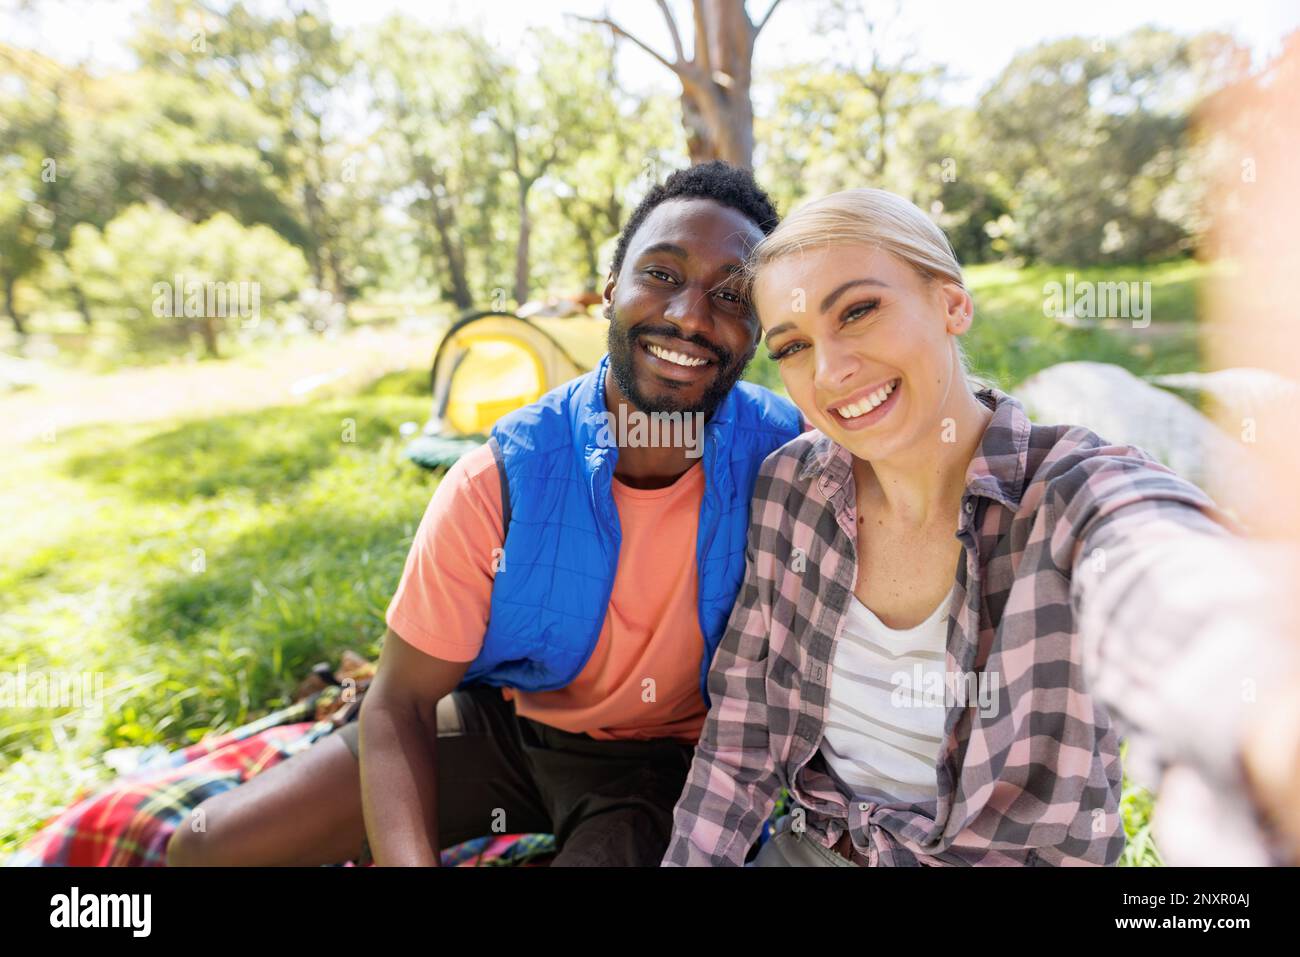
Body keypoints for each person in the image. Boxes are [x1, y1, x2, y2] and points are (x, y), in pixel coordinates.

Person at [166, 161, 802, 867]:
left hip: (663, 764)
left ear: (759, 328)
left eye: (731, 294)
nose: (689, 314)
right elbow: (400, 701)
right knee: (207, 849)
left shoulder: (789, 459)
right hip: (508, 720)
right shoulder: (502, 477)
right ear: (608, 291)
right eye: (661, 274)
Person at [664, 187, 1299, 867]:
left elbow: (1161, 568)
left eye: (859, 310)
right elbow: (742, 735)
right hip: (818, 851)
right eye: (792, 346)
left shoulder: (1070, 491)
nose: (831, 370)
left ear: (952, 303)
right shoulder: (791, 485)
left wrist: (1254, 683)